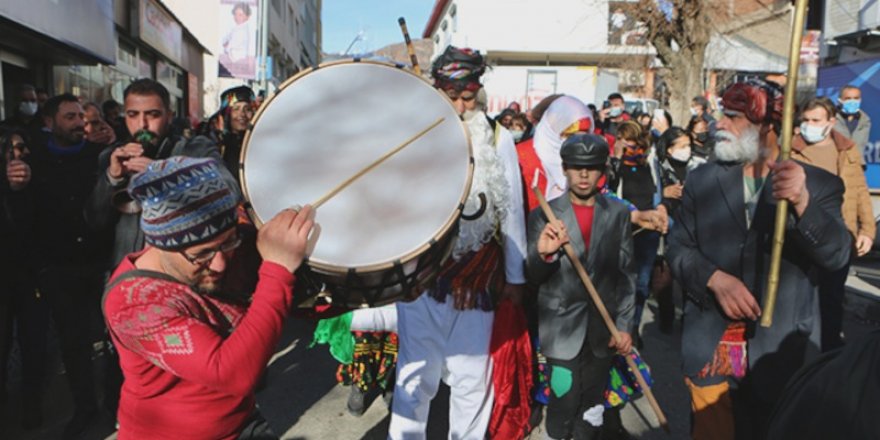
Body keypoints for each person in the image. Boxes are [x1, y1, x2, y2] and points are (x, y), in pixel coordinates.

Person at [666, 80, 852, 440]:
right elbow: (677, 248)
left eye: (733, 116)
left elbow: (836, 255)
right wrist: (715, 279)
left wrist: (801, 202)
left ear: (768, 126)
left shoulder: (818, 184)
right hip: (712, 347)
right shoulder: (703, 180)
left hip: (782, 352)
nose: (720, 123)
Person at [102, 156, 316, 439]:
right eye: (201, 254)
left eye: (228, 242)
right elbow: (231, 374)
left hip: (241, 423)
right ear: (159, 243)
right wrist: (277, 271)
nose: (220, 264)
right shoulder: (131, 302)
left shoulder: (231, 244)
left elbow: (298, 299)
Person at [389, 46, 527, 440]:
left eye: (469, 97)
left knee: (471, 378)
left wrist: (516, 277)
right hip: (421, 278)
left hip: (476, 280)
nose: (463, 107)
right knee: (415, 376)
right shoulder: (413, 133)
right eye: (453, 97)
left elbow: (512, 209)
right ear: (438, 90)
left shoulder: (498, 137)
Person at [8, 94, 116, 437]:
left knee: (114, 340)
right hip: (59, 269)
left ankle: (118, 406)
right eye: (70, 116)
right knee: (73, 344)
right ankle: (85, 408)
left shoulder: (98, 155)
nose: (79, 123)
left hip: (101, 263)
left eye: (81, 116)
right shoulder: (33, 157)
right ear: (50, 122)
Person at [526, 133, 635, 439]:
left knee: (592, 405)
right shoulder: (544, 215)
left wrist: (625, 324)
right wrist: (544, 254)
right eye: (576, 167)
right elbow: (532, 276)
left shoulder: (618, 214)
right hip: (560, 329)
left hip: (604, 328)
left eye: (592, 167)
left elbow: (626, 275)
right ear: (564, 168)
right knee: (564, 399)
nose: (584, 175)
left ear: (603, 170)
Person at [85, 78, 224, 269]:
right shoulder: (110, 155)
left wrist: (166, 175)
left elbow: (229, 192)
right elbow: (95, 222)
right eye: (133, 115)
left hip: (180, 273)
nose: (142, 124)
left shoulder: (196, 149)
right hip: (127, 273)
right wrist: (112, 178)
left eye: (153, 115)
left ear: (169, 116)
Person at [791, 97, 875, 351]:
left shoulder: (847, 149)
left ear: (830, 122)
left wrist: (867, 231)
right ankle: (793, 355)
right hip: (802, 236)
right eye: (805, 120)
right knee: (799, 301)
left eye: (815, 120)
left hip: (840, 236)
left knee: (831, 299)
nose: (809, 125)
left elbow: (860, 191)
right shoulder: (791, 150)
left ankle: (828, 355)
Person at [0, 127, 49, 430]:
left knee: (35, 348)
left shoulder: (37, 183)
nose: (18, 156)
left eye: (22, 148)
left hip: (33, 280)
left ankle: (32, 407)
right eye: (10, 150)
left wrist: (25, 191)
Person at [607, 121, 661, 348]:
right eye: (622, 139)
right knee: (620, 282)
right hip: (624, 228)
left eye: (630, 140)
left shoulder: (648, 159)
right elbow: (609, 191)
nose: (626, 144)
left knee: (641, 284)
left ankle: (633, 330)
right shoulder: (613, 163)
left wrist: (660, 210)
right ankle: (618, 329)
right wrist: (617, 161)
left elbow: (657, 188)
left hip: (648, 230)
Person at [200, 85, 256, 181]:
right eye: (236, 109)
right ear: (226, 114)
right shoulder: (214, 145)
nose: (242, 114)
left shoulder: (258, 142)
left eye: (247, 109)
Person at [834, 85, 872, 164]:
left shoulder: (865, 120)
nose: (852, 102)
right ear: (840, 100)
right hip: (833, 164)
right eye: (848, 98)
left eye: (856, 98)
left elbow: (861, 145)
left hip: (855, 165)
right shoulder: (831, 117)